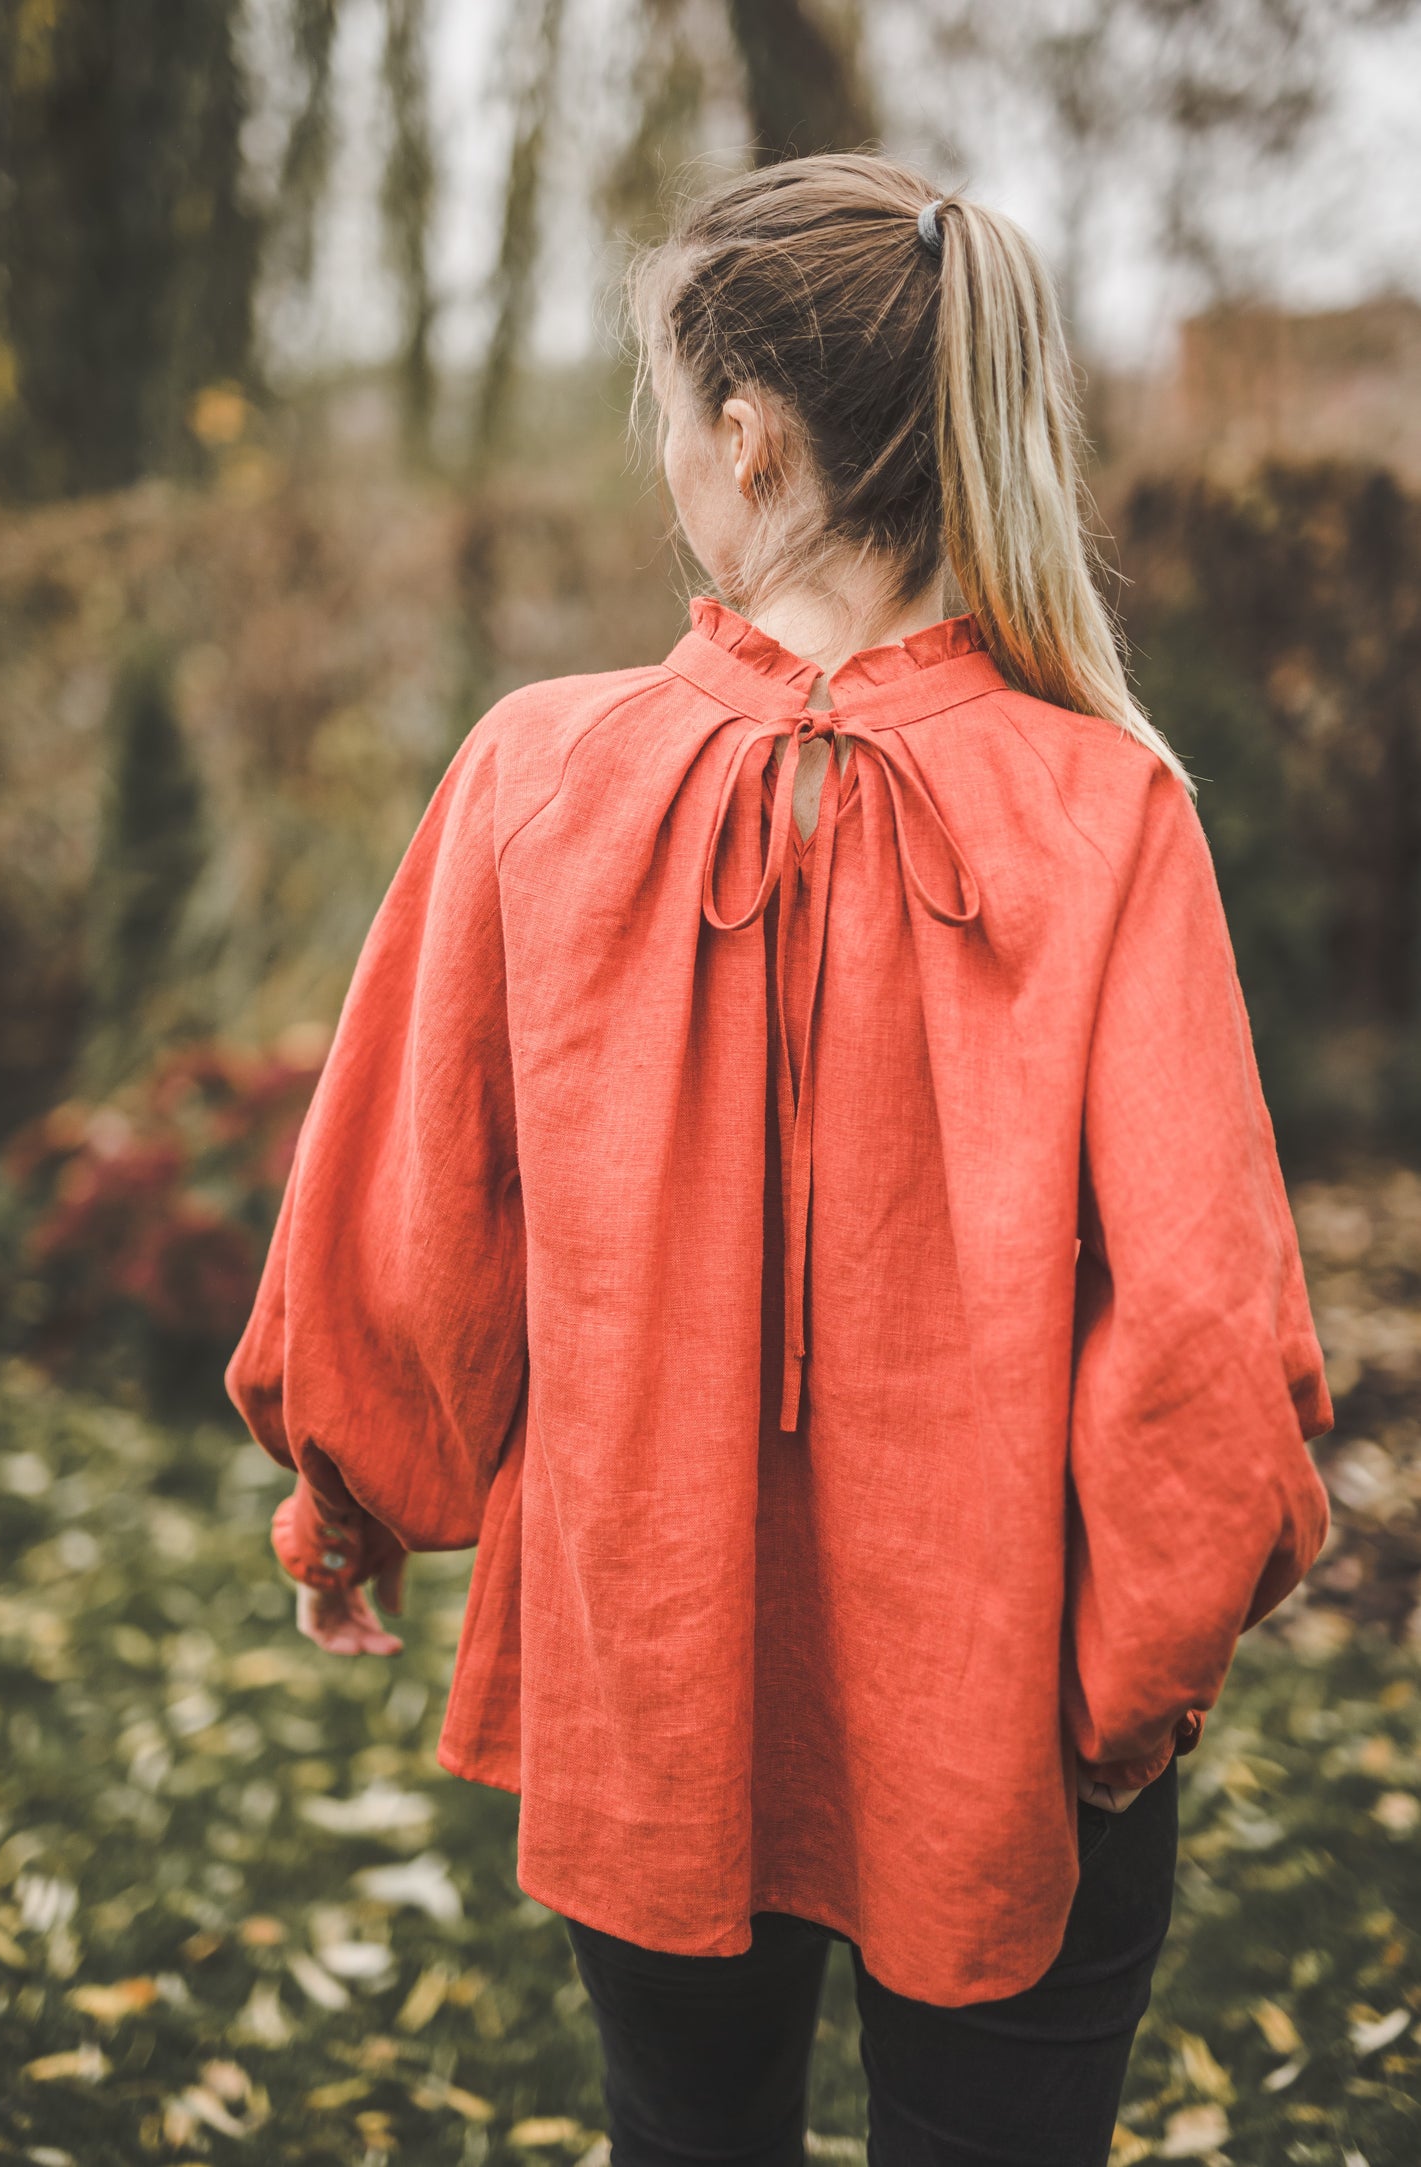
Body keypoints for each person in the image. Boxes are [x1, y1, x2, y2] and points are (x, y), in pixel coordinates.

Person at [225, 153, 1334, 2167]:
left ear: (749, 434)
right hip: (1014, 1708)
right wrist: (1135, 1674)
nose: (671, 455)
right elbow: (1205, 1322)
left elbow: (406, 1220)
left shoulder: (529, 775)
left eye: (671, 410)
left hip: (657, 1684)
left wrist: (348, 1500)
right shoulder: (1113, 808)